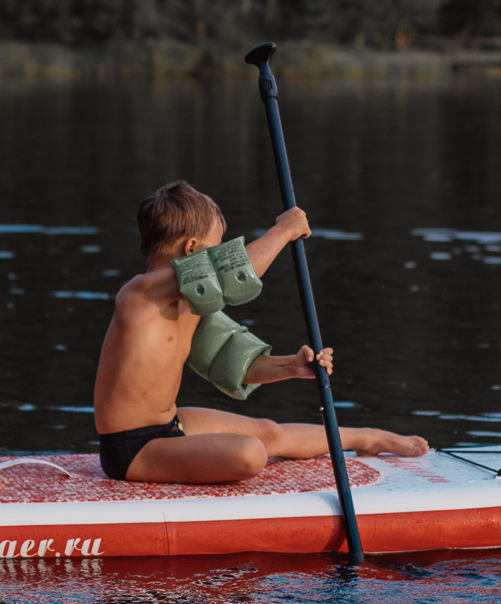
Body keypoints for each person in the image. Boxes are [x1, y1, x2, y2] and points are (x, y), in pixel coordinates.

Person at [91, 180, 428, 483]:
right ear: (192, 249)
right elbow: (230, 274)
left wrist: (293, 367)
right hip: (132, 449)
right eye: (216, 246)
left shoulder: (190, 305)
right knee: (251, 453)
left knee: (268, 431)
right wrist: (283, 230)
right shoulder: (139, 296)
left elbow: (233, 362)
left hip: (169, 426)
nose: (221, 252)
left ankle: (365, 437)